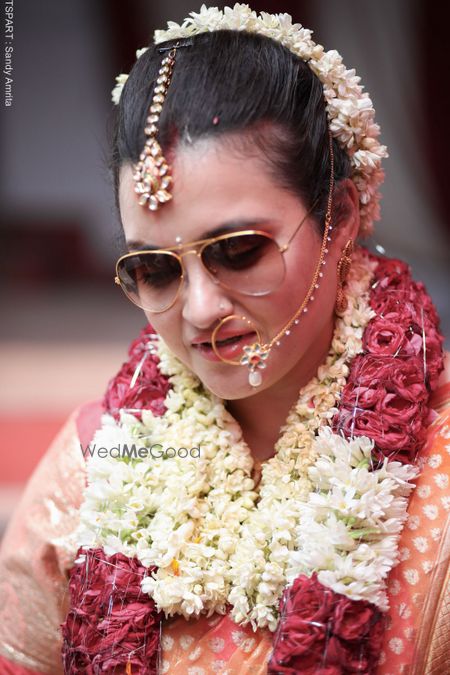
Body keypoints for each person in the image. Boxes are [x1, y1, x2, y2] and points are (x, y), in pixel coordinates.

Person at [0, 5, 448, 674]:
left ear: (342, 216)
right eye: (154, 268)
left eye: (238, 250)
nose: (201, 309)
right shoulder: (89, 469)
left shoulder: (438, 483)